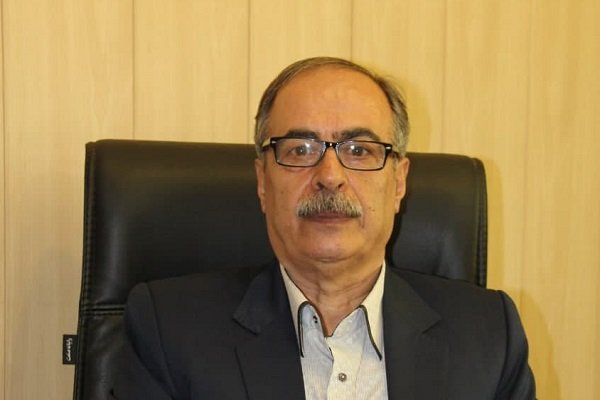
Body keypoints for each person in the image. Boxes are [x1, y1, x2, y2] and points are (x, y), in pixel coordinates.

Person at [111, 57, 535, 399]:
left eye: (359, 150)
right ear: (262, 182)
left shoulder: (488, 335)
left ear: (398, 182)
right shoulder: (170, 330)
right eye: (300, 149)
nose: (330, 176)